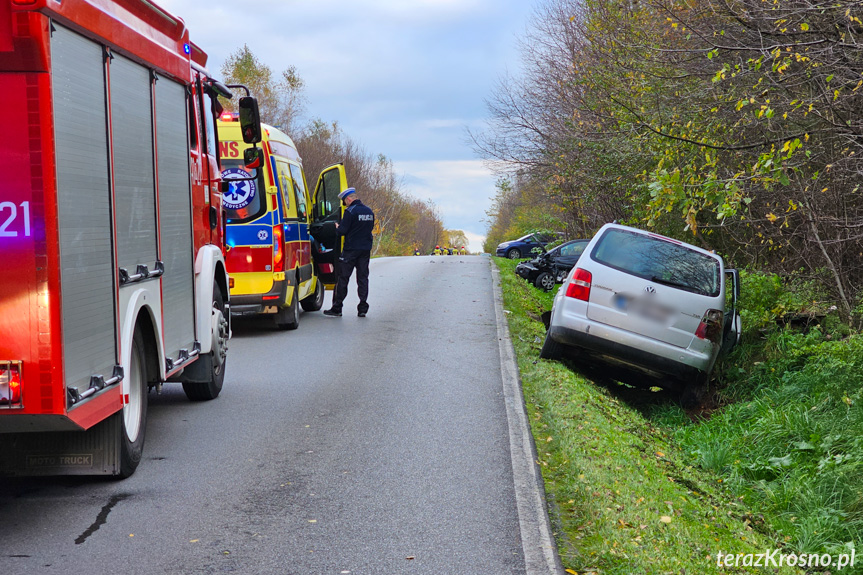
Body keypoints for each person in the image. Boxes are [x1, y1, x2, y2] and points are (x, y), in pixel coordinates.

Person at [323, 187, 375, 318]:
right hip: (365, 250)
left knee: (343, 278)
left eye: (344, 201)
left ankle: (337, 307)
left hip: (350, 250)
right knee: (363, 278)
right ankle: (362, 308)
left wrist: (337, 227)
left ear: (349, 199)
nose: (344, 204)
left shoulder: (350, 212)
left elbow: (342, 232)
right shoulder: (369, 211)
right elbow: (369, 228)